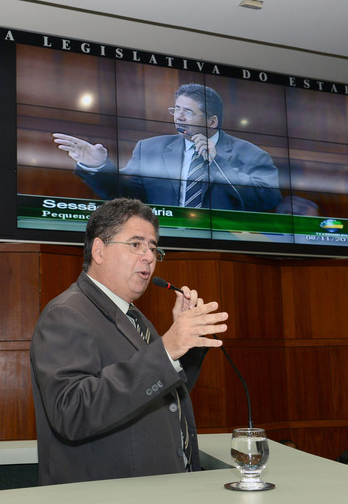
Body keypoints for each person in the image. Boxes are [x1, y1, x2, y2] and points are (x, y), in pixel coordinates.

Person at [30, 197, 228, 485]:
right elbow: (71, 412)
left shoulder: (134, 317)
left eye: (153, 248)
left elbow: (164, 396)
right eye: (136, 244)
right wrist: (167, 349)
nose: (148, 256)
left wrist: (186, 344)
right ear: (99, 250)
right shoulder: (66, 313)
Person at [54, 84, 281, 212]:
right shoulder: (149, 148)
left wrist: (218, 162)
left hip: (228, 249)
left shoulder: (252, 154)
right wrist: (99, 166)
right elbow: (125, 195)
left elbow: (269, 200)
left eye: (188, 112)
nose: (178, 117)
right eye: (176, 110)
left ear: (212, 121)